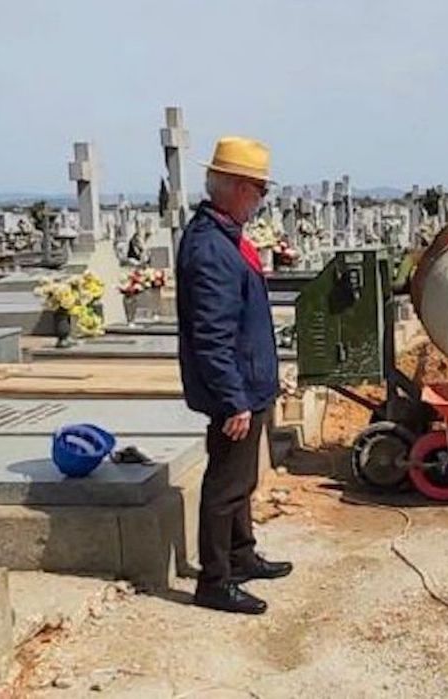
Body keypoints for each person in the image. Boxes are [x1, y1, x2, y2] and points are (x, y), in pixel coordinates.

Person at [177, 136, 292, 614]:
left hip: (250, 382)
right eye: (259, 191)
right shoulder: (211, 249)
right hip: (236, 389)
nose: (261, 201)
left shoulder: (225, 237)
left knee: (240, 482)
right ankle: (215, 580)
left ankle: (241, 556)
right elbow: (212, 335)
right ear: (237, 189)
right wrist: (233, 399)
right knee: (225, 488)